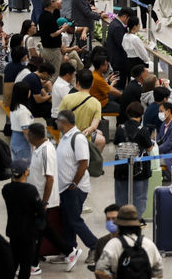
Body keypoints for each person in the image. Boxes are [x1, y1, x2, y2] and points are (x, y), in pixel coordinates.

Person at [27, 123, 82, 273]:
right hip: (37, 198)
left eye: (28, 134)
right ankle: (70, 252)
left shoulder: (46, 151)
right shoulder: (38, 148)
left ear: (33, 136)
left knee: (38, 230)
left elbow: (49, 178)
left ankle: (33, 265)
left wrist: (44, 202)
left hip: (43, 200)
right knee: (44, 229)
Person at [55, 109, 99, 261]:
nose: (56, 123)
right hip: (65, 188)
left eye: (57, 121)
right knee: (67, 220)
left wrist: (74, 183)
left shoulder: (78, 138)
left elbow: (83, 163)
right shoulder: (64, 137)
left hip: (75, 188)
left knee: (74, 220)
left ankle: (95, 246)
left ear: (64, 122)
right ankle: (69, 251)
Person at [2, 158, 46, 279]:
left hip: (13, 230)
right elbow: (41, 211)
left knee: (13, 263)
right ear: (25, 172)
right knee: (25, 266)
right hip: (28, 233)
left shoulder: (6, 189)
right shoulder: (31, 190)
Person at [94, 204, 163, 278]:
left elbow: (100, 269)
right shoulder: (148, 243)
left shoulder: (113, 244)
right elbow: (159, 269)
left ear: (119, 225)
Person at [113, 102, 153, 215]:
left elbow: (116, 145)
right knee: (139, 197)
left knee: (121, 196)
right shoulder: (143, 130)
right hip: (140, 170)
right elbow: (149, 148)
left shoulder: (120, 129)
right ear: (141, 115)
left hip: (121, 168)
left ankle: (122, 219)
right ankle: (136, 220)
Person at [61, 68, 107, 151]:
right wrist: (80, 136)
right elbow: (93, 127)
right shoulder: (96, 103)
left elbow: (61, 119)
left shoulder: (66, 98)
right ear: (92, 83)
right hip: (85, 141)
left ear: (78, 83)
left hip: (67, 139)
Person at [39, 0, 68, 80]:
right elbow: (52, 34)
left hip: (45, 49)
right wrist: (63, 29)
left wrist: (59, 29)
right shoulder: (49, 17)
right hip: (52, 50)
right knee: (54, 75)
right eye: (55, 1)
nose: (57, 2)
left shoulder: (43, 16)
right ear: (51, 3)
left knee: (47, 74)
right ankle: (51, 92)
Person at [107, 7, 131, 89]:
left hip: (115, 60)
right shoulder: (117, 27)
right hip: (118, 63)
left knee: (117, 82)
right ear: (124, 17)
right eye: (129, 19)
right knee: (118, 84)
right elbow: (122, 44)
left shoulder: (114, 23)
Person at [8, 82, 33, 161]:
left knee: (18, 165)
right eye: (29, 90)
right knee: (23, 168)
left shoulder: (15, 106)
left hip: (15, 139)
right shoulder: (23, 111)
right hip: (22, 142)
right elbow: (25, 130)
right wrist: (33, 144)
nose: (30, 91)